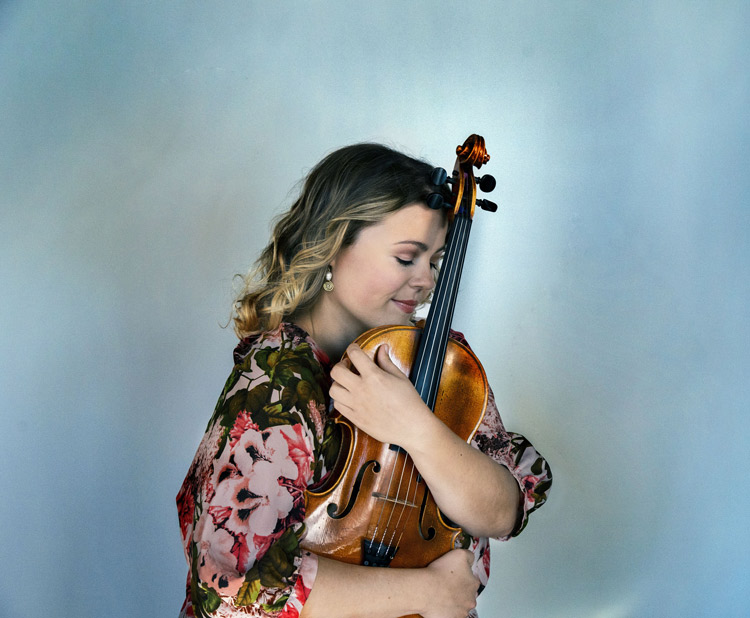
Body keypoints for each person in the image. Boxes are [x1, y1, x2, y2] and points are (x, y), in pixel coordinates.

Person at [176, 143, 552, 618]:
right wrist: (428, 594)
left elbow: (505, 511)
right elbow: (230, 588)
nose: (426, 281)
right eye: (406, 257)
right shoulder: (276, 381)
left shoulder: (442, 363)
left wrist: (417, 428)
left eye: (434, 261)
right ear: (332, 246)